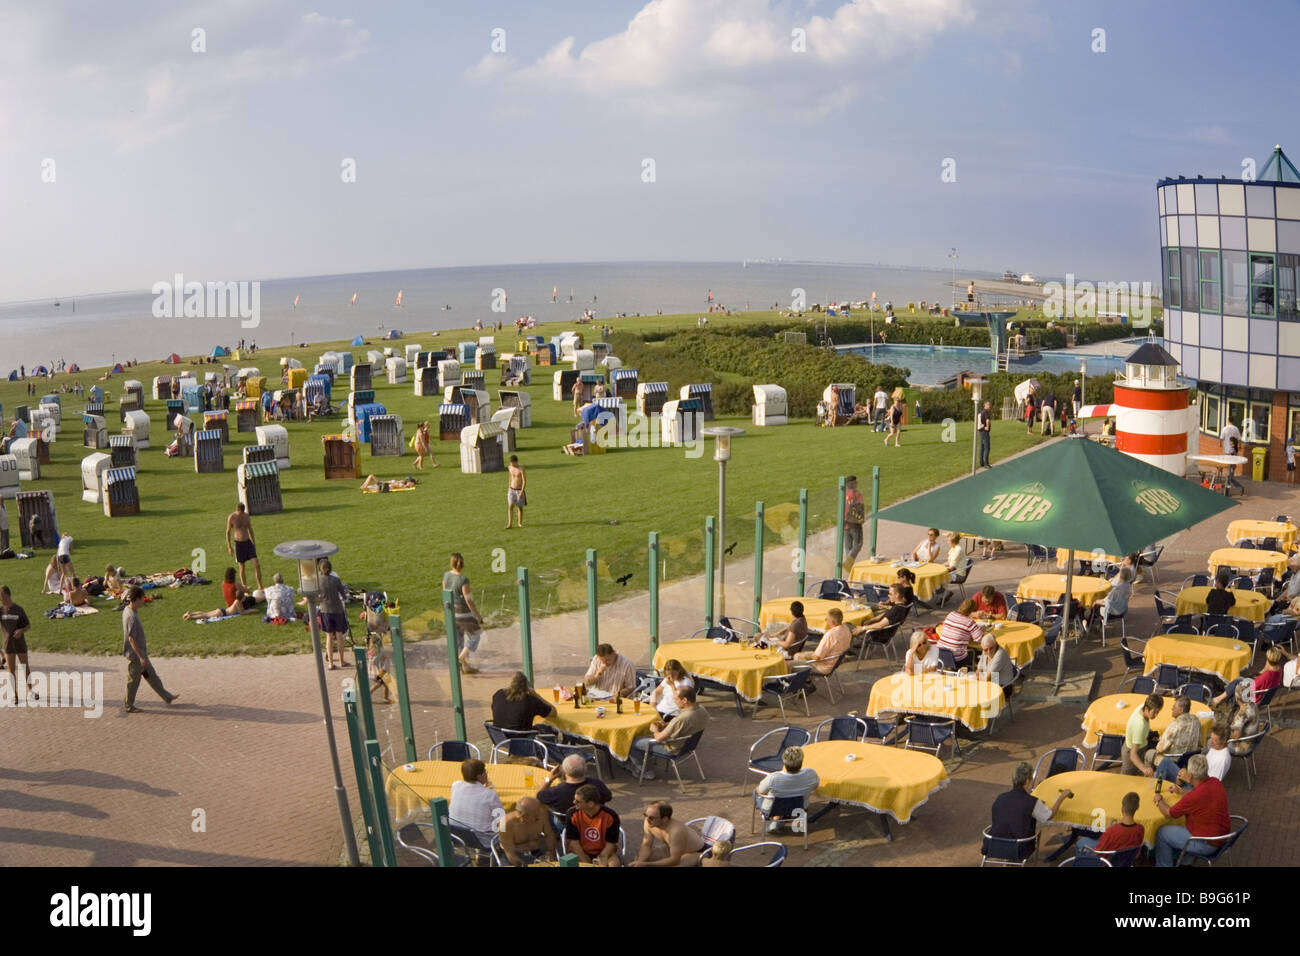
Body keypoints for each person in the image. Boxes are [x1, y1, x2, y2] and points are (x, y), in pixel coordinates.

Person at [1153, 754, 1230, 867]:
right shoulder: (1215, 782)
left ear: (1190, 775)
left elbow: (1169, 813)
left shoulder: (1194, 797)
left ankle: (1164, 865)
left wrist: (1159, 800)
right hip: (1222, 837)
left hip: (1206, 843)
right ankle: (1186, 861)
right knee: (1185, 821)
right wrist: (1180, 791)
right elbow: (1199, 795)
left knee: (1161, 833)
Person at [986, 761, 1072, 862]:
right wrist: (1061, 797)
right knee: (1036, 832)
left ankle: (1009, 862)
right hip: (1020, 848)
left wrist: (1036, 804)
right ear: (1027, 781)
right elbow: (1049, 816)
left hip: (993, 844)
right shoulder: (1031, 802)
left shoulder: (1000, 798)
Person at [627, 686, 708, 779]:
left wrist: (655, 730)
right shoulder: (702, 710)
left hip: (672, 749)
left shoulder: (682, 719)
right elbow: (681, 726)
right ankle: (645, 761)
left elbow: (659, 738)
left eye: (676, 699)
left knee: (632, 742)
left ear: (684, 700)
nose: (674, 701)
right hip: (689, 746)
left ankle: (643, 771)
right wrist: (665, 725)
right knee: (643, 738)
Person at [122, 586, 178, 713]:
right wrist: (141, 657)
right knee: (133, 681)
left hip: (141, 656)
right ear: (135, 600)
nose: (144, 600)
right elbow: (131, 638)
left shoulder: (129, 610)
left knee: (151, 676)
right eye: (142, 598)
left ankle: (167, 697)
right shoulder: (130, 616)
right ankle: (128, 706)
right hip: (136, 658)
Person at [754, 745, 820, 830]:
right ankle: (782, 816)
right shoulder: (811, 774)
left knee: (756, 792)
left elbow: (760, 792)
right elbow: (815, 787)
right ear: (801, 761)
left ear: (784, 761)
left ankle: (777, 817)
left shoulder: (773, 778)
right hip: (799, 807)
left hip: (774, 808)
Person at [629, 801, 707, 866]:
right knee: (640, 858)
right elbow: (646, 846)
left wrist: (647, 864)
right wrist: (639, 862)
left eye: (651, 817)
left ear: (664, 819)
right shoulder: (649, 822)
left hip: (694, 852)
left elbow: (674, 860)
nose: (647, 819)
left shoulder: (676, 831)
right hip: (672, 849)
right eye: (645, 815)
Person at [449, 758, 504, 847]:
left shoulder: (455, 786)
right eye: (485, 772)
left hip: (457, 836)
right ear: (479, 776)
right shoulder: (490, 795)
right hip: (483, 840)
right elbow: (501, 821)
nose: (487, 774)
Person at [443, 553, 483, 674]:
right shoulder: (463, 580)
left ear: (452, 563)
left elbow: (445, 594)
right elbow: (468, 600)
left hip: (451, 612)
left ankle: (464, 666)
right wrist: (477, 616)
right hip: (463, 613)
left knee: (458, 639)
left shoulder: (446, 576)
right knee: (475, 634)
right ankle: (463, 656)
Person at [565, 784, 622, 866]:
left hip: (603, 851)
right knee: (574, 863)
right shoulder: (572, 814)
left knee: (614, 864)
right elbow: (574, 842)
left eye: (578, 801)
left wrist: (602, 857)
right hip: (581, 851)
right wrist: (586, 863)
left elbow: (611, 843)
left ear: (591, 804)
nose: (574, 802)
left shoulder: (610, 816)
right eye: (574, 799)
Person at [1075, 791, 1144, 857]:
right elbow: (1137, 853)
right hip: (1126, 860)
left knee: (1079, 843)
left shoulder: (1111, 831)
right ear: (1137, 808)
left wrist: (1106, 830)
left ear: (1122, 809)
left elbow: (1096, 853)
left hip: (1106, 862)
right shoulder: (1140, 829)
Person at [1148, 695, 1201, 781]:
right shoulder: (1196, 721)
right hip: (1188, 759)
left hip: (1173, 760)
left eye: (1174, 707)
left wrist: (1160, 742)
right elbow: (1199, 742)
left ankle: (1151, 780)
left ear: (1181, 710)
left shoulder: (1176, 725)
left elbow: (1160, 748)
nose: (1172, 709)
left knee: (1148, 754)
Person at [537, 753, 613, 814]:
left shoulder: (556, 792)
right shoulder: (597, 784)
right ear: (585, 769)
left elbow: (538, 795)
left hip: (565, 826)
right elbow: (608, 797)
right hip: (594, 823)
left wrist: (549, 779)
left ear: (564, 771)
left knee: (542, 811)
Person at [1213, 645, 1286, 707]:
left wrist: (1245, 681)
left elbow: (1251, 688)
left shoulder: (1266, 676)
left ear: (1268, 659)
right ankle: (1223, 697)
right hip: (1265, 696)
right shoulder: (1279, 669)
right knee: (1240, 680)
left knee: (1237, 682)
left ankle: (1219, 699)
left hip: (1255, 699)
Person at [1, 586, 36, 701]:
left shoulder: (19, 609)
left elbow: (28, 625)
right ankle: (14, 695)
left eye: (1, 596)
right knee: (11, 670)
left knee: (25, 667)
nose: (0, 598)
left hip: (20, 643)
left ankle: (30, 691)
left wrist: (21, 631)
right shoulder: (0, 610)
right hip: (8, 645)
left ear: (7, 595)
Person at [793, 607, 852, 675]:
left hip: (822, 667)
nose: (825, 620)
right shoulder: (846, 629)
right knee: (800, 655)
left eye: (826, 619)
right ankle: (806, 679)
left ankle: (801, 680)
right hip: (834, 663)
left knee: (793, 660)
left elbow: (817, 657)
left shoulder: (830, 635)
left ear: (832, 622)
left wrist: (804, 657)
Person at [491, 671, 557, 732]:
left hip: (500, 738)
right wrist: (537, 696)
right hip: (522, 740)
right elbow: (554, 713)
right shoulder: (531, 701)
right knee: (547, 728)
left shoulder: (498, 694)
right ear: (526, 687)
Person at [498, 796, 556, 866]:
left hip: (538, 851)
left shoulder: (541, 813)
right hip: (516, 854)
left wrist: (550, 851)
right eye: (535, 815)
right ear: (523, 816)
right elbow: (510, 853)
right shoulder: (505, 824)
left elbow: (549, 834)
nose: (539, 815)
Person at [316, 559, 350, 670]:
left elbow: (316, 597)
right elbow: (344, 596)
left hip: (325, 611)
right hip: (337, 610)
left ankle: (330, 663)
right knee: (339, 635)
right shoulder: (336, 580)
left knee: (329, 637)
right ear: (330, 568)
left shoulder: (318, 581)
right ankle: (341, 661)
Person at [225, 503, 264, 590]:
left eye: (243, 512)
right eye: (240, 513)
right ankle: (244, 587)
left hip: (248, 543)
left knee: (256, 564)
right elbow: (227, 532)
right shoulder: (231, 517)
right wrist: (229, 547)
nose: (241, 514)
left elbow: (250, 529)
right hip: (238, 544)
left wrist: (254, 543)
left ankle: (260, 585)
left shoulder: (246, 516)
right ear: (237, 510)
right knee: (242, 567)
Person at [1123, 694, 1163, 776]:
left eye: (1157, 712)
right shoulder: (1140, 726)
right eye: (1154, 712)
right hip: (1133, 752)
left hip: (1140, 746)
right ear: (1147, 708)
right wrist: (1144, 768)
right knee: (1128, 779)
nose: (1156, 715)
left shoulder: (1142, 707)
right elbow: (1133, 754)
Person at [937, 599, 981, 669]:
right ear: (971, 611)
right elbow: (979, 639)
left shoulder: (951, 614)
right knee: (975, 652)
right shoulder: (970, 622)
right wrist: (982, 630)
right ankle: (972, 671)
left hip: (941, 654)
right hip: (957, 660)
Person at [975, 633, 1016, 701]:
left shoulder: (1000, 654)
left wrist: (978, 677)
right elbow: (979, 669)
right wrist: (978, 676)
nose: (988, 652)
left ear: (996, 644)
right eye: (985, 649)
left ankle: (987, 710)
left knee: (976, 695)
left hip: (1003, 687)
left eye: (991, 648)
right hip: (992, 682)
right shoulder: (984, 652)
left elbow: (988, 677)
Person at [1225, 681, 1259, 755]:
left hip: (1242, 746)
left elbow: (1235, 736)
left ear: (1237, 698)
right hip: (1251, 741)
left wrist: (1222, 735)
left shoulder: (1242, 714)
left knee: (1210, 743)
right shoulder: (1253, 704)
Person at [842, 476, 865, 575]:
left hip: (845, 523)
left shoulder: (844, 494)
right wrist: (861, 518)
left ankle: (849, 567)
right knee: (858, 544)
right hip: (854, 524)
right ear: (854, 484)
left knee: (848, 546)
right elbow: (860, 507)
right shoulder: (857, 494)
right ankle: (848, 563)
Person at [1220, 419, 1243, 493]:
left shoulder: (1225, 428)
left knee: (1229, 469)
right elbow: (1239, 439)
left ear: (1228, 420)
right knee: (1231, 469)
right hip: (1233, 453)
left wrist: (1220, 444)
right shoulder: (1236, 428)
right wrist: (1240, 445)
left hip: (1228, 452)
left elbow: (1221, 438)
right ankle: (1230, 479)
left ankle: (1230, 482)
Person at [505, 455, 527, 529]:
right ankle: (509, 524)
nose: (511, 464)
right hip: (511, 490)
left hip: (519, 490)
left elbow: (524, 481)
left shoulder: (521, 469)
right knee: (510, 506)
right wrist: (509, 487)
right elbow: (510, 477)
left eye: (512, 463)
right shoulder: (510, 468)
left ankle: (519, 523)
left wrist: (521, 492)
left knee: (520, 507)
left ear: (515, 461)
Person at [977, 399, 992, 468]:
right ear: (985, 405)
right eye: (988, 405)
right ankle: (986, 463)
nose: (990, 406)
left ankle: (981, 462)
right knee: (987, 447)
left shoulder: (981, 412)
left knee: (982, 447)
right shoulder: (986, 412)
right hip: (984, 431)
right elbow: (987, 420)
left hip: (980, 430)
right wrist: (987, 427)